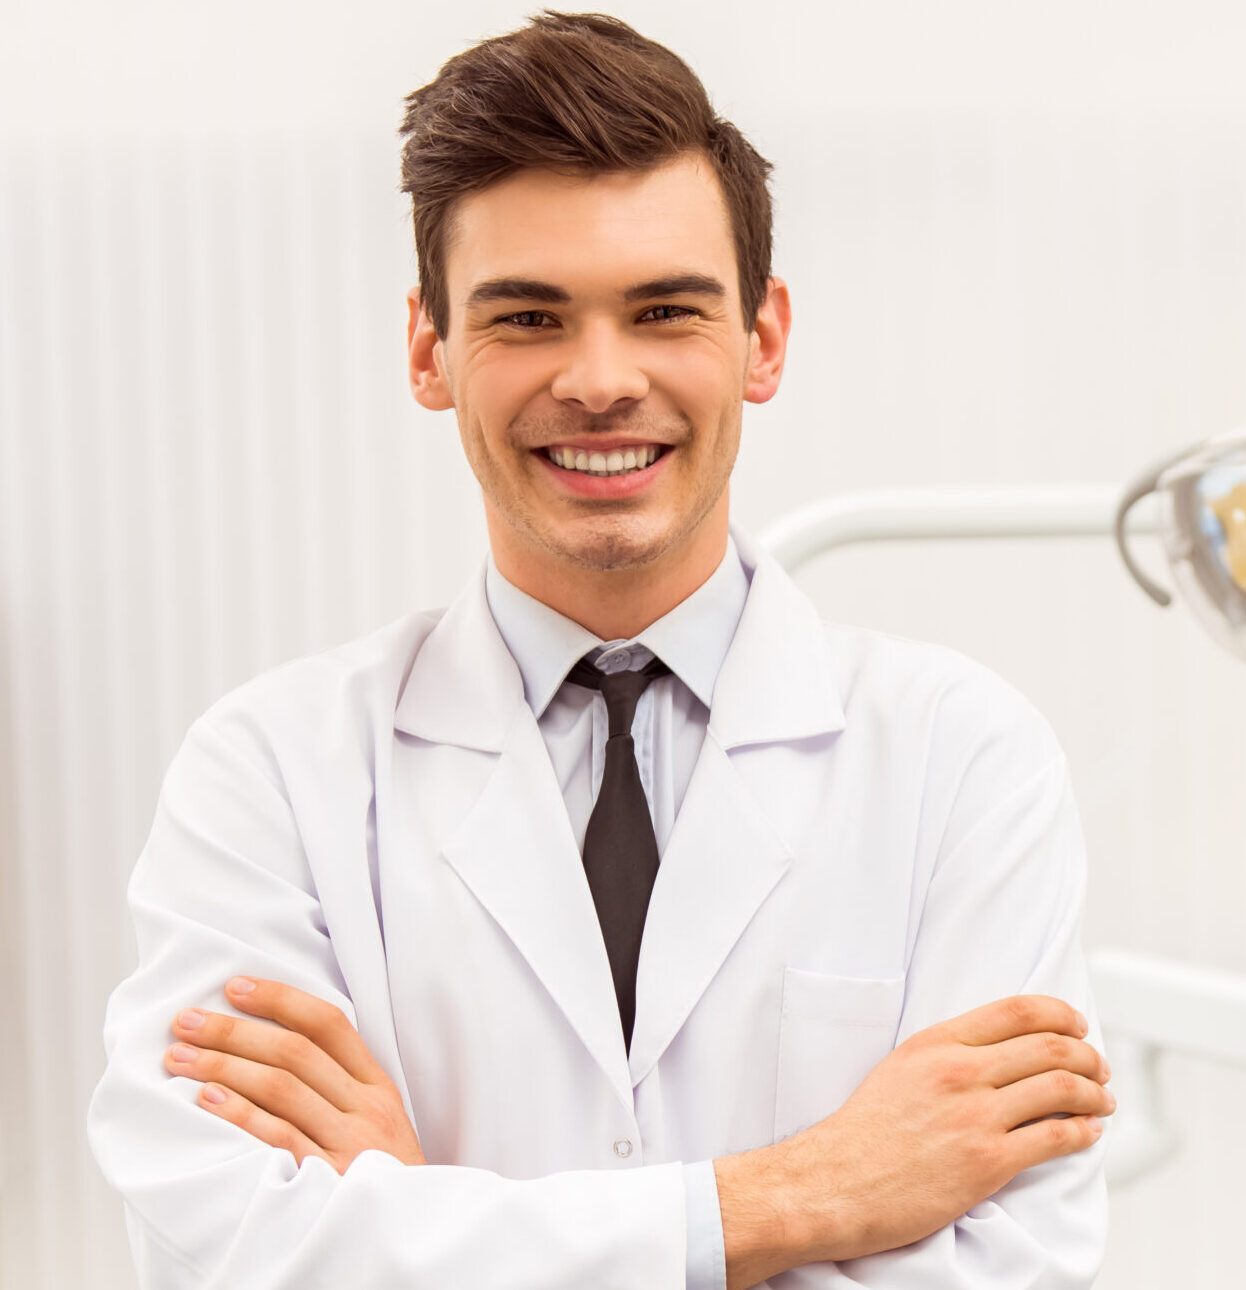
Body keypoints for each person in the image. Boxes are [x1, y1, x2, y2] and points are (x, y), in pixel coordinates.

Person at [88, 12, 1115, 1289]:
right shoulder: (269, 774)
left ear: (763, 339)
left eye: (664, 309)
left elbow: (1013, 1269)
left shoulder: (962, 758)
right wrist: (808, 1195)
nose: (599, 379)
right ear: (430, 349)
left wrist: (416, 1224)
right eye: (526, 317)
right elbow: (218, 1252)